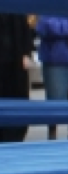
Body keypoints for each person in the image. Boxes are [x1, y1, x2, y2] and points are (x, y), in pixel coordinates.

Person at [0, 13, 34, 144]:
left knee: (17, 95)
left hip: (16, 61)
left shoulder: (16, 9)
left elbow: (25, 31)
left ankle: (15, 134)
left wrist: (26, 53)